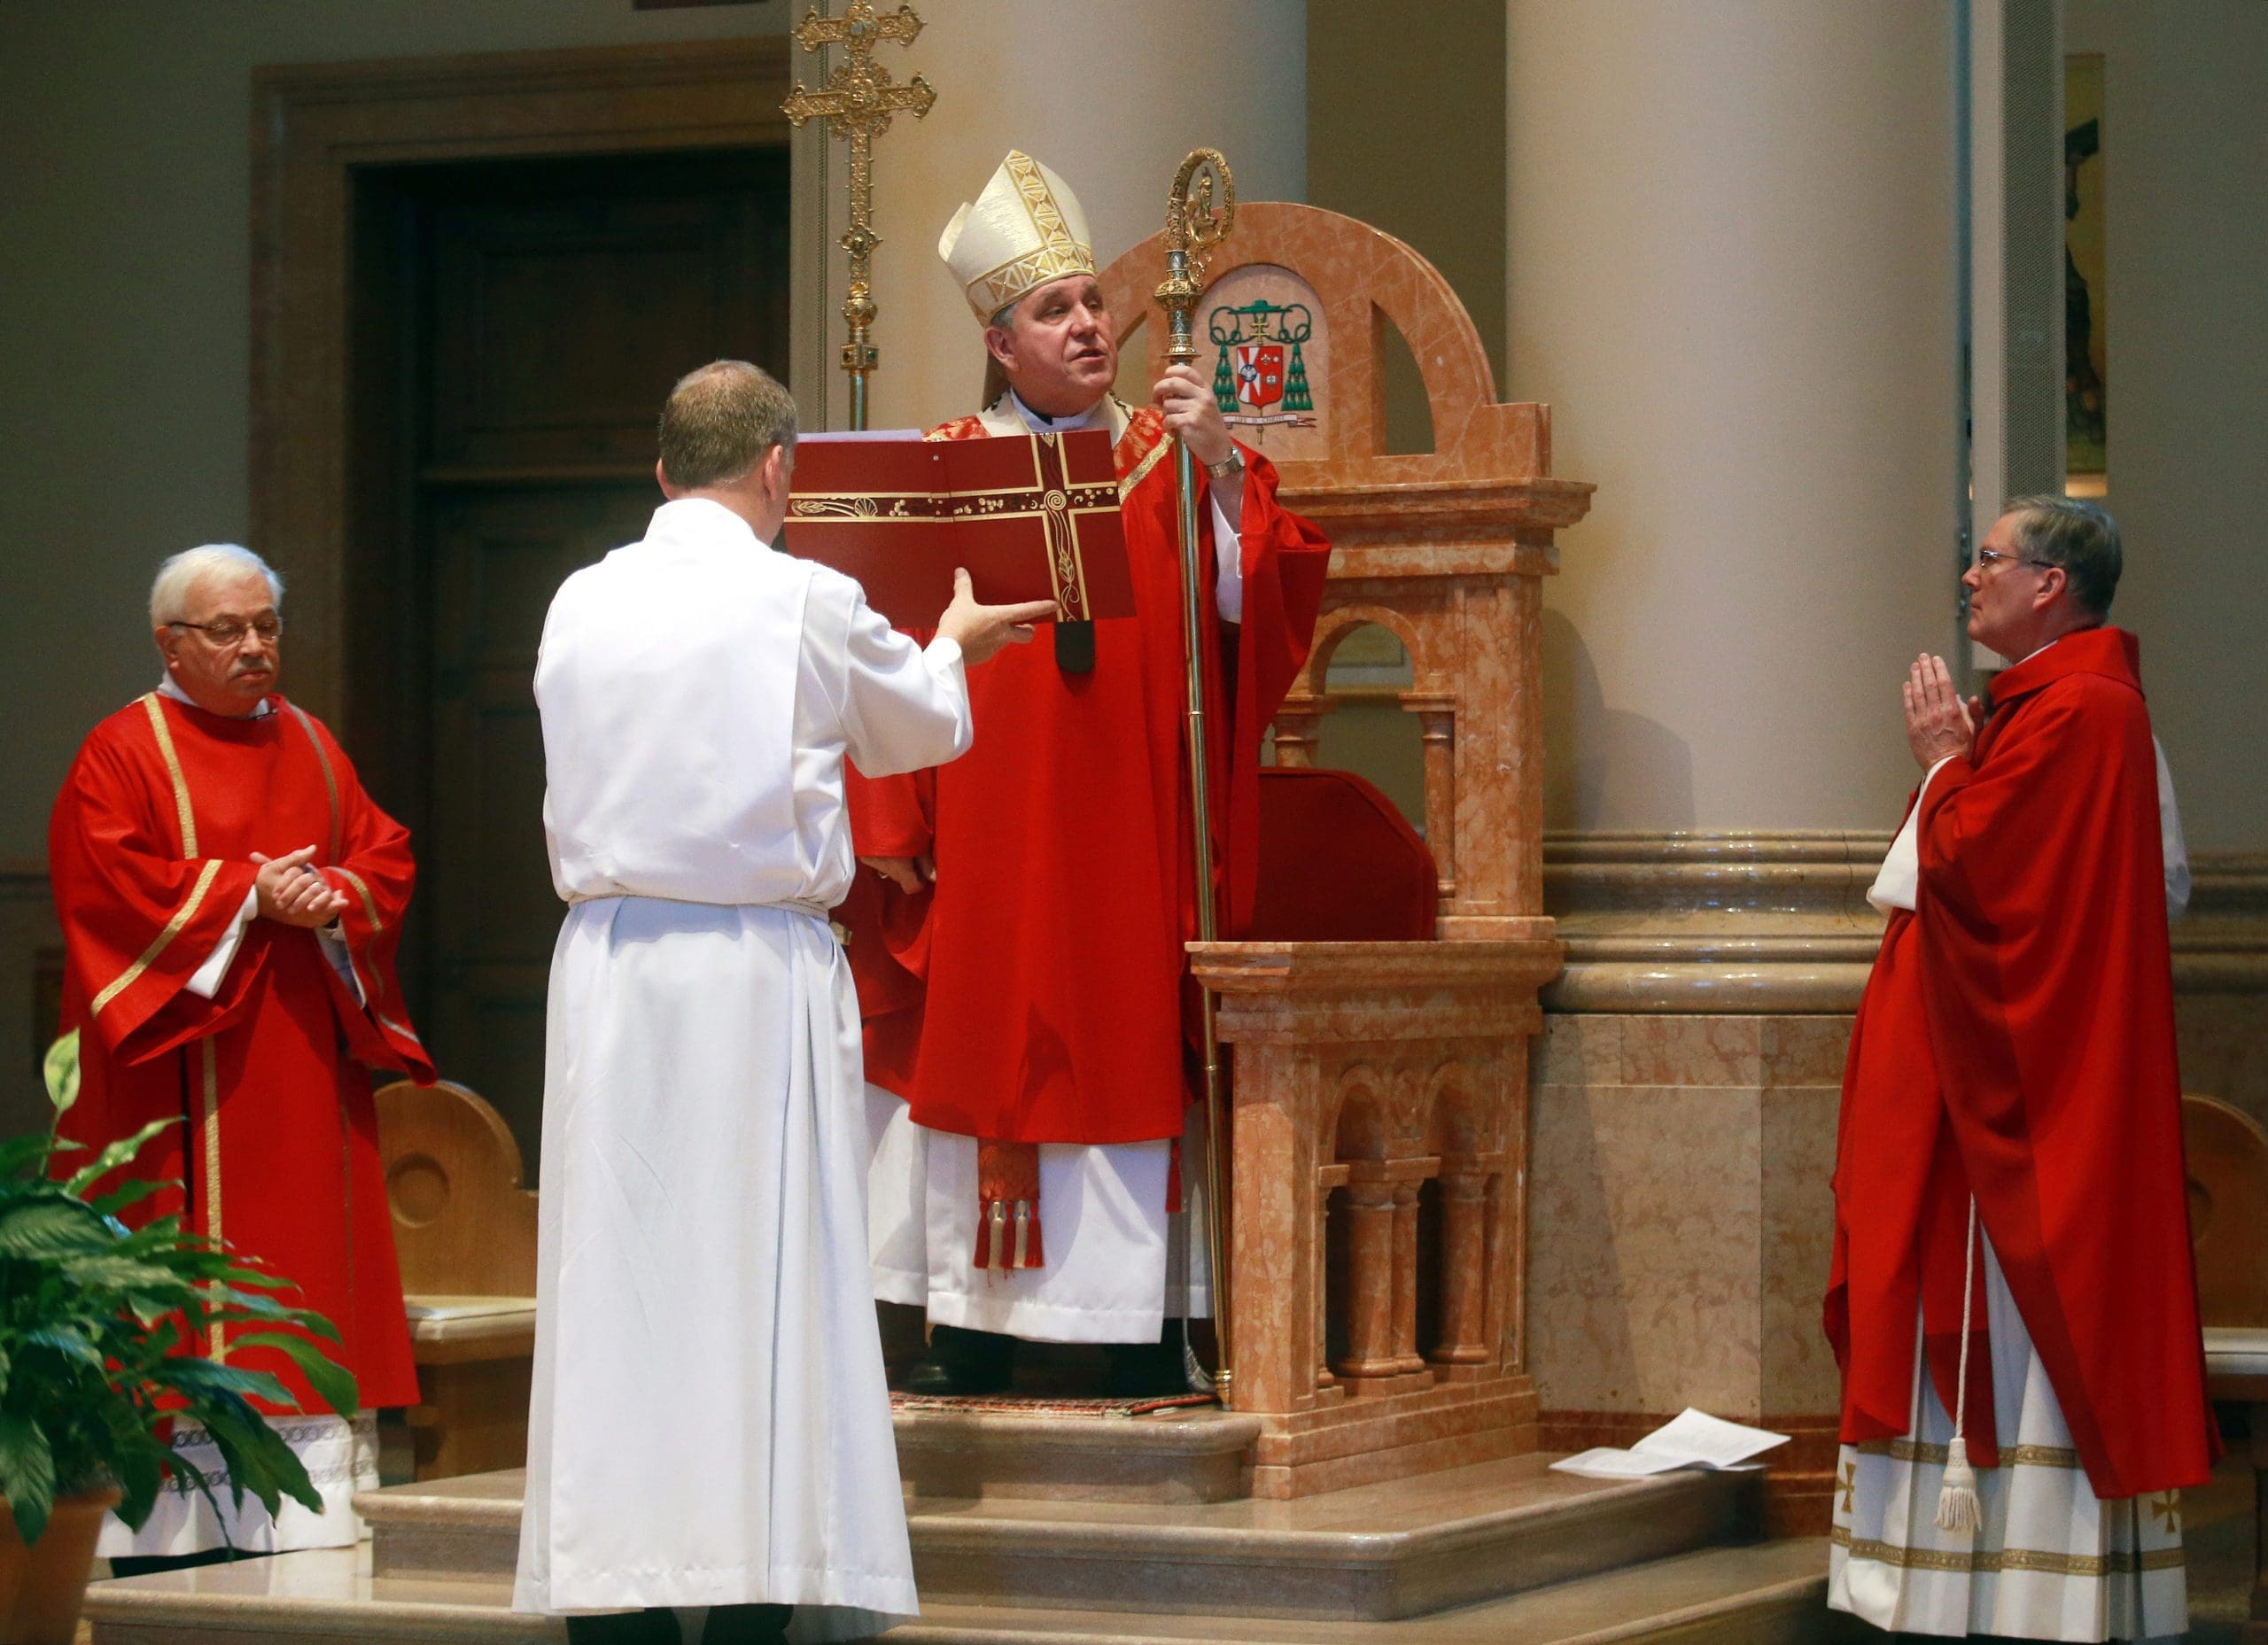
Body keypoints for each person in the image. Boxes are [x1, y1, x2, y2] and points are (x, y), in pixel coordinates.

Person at [516, 360, 1052, 1645]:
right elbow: (918, 729)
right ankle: (754, 1597)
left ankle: (618, 1609)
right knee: (760, 1285)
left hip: (611, 968)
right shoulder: (805, 596)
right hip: (753, 970)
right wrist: (955, 641)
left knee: (620, 1282)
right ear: (778, 471)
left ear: (663, 472)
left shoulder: (579, 598)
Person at [847, 151, 1332, 1395]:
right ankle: (971, 1326)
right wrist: (890, 816)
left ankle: (1131, 1328)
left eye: (1093, 303)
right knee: (984, 1028)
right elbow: (884, 644)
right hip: (987, 825)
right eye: (1053, 310)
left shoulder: (1171, 460)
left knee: (1122, 1033)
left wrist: (1224, 469)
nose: (1087, 325)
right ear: (999, 344)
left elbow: (1251, 611)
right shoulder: (948, 467)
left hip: (1132, 821)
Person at [1823, 496, 2218, 1640]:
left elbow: (1985, 880)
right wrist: (1960, 767)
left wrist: (1946, 766)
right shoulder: (2052, 708)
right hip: (1991, 1078)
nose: (1969, 574)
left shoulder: (2083, 712)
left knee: (2024, 1324)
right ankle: (1972, 1589)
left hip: (2027, 1100)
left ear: (2051, 584)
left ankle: (2021, 1594)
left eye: (1989, 558)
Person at [50, 543, 432, 1558]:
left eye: (266, 625)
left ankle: (297, 1516)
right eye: (228, 630)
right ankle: (169, 1527)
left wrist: (332, 896)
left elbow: (382, 855)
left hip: (298, 1061)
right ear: (169, 641)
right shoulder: (121, 750)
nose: (255, 646)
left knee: (302, 1272)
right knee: (177, 1284)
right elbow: (103, 882)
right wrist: (246, 893)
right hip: (176, 1070)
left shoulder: (310, 741)